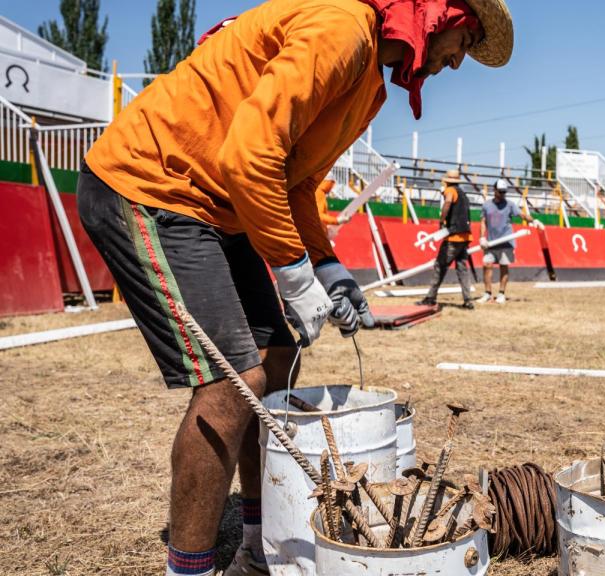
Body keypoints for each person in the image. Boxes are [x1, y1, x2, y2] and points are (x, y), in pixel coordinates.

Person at [75, 1, 513, 574]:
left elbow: (296, 178)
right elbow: (251, 153)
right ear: (438, 12)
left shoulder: (366, 85)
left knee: (277, 360)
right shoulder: (342, 28)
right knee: (234, 384)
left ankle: (261, 551)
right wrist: (291, 270)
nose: (458, 62)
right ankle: (188, 569)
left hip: (217, 204)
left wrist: (327, 267)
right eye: (466, 39)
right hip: (153, 186)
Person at [417, 169, 476, 309]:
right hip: (465, 236)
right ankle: (468, 301)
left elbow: (448, 202)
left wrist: (442, 220)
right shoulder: (462, 193)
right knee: (462, 269)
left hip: (454, 237)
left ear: (446, 181)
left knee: (440, 266)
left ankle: (430, 297)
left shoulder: (450, 191)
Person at [478, 178, 543, 303]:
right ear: (495, 190)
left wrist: (533, 220)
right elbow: (483, 222)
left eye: (504, 192)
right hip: (491, 242)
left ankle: (501, 294)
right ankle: (487, 293)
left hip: (507, 242)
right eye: (500, 192)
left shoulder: (510, 204)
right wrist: (481, 237)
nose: (503, 194)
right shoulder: (486, 205)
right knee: (487, 265)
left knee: (504, 267)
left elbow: (522, 215)